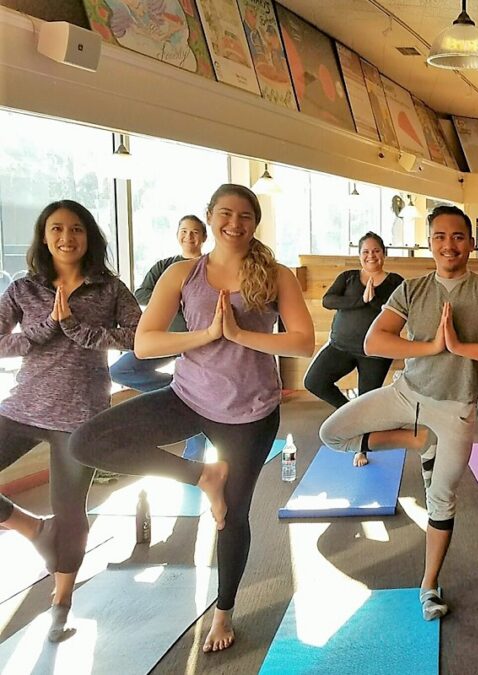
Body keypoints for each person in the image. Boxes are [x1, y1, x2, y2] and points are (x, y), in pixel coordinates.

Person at [71, 184, 315, 652]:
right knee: (89, 441)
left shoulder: (277, 275)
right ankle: (203, 475)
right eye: (225, 213)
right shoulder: (183, 274)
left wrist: (241, 333)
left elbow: (302, 342)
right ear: (210, 216)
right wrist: (205, 334)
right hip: (187, 396)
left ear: (254, 223)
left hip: (250, 411)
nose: (235, 223)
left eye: (245, 215)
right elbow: (146, 344)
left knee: (232, 518)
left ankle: (223, 614)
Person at [319, 205, 478, 620]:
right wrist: (430, 347)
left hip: (455, 410)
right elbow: (377, 341)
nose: (449, 245)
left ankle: (428, 584)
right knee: (331, 433)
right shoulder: (411, 289)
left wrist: (463, 348)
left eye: (458, 237)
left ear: (470, 242)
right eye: (440, 237)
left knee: (441, 500)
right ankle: (416, 440)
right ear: (430, 243)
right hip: (406, 394)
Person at [0, 200, 141, 642]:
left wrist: (82, 329)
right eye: (57, 228)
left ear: (89, 236)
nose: (66, 237)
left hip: (80, 416)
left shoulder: (109, 288)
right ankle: (30, 528)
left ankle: (61, 601)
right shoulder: (24, 289)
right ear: (44, 236)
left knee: (70, 512)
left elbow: (141, 335)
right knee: (53, 521)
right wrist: (43, 329)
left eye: (76, 228)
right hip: (23, 406)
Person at [109, 214, 208, 460]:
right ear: (177, 235)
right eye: (184, 231)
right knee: (121, 370)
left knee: (197, 405)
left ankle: (193, 457)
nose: (189, 237)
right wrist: (170, 297)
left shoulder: (210, 266)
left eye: (195, 232)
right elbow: (141, 293)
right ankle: (181, 388)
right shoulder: (166, 266)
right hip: (165, 338)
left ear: (204, 237)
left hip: (200, 340)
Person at [304, 232, 404, 442]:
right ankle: (348, 410)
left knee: (367, 402)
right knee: (314, 381)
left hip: (376, 352)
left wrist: (373, 300)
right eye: (366, 251)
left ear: (384, 254)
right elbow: (328, 301)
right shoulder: (348, 277)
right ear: (359, 255)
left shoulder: (396, 281)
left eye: (376, 251)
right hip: (340, 346)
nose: (371, 256)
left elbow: (399, 311)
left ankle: (362, 446)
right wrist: (361, 300)